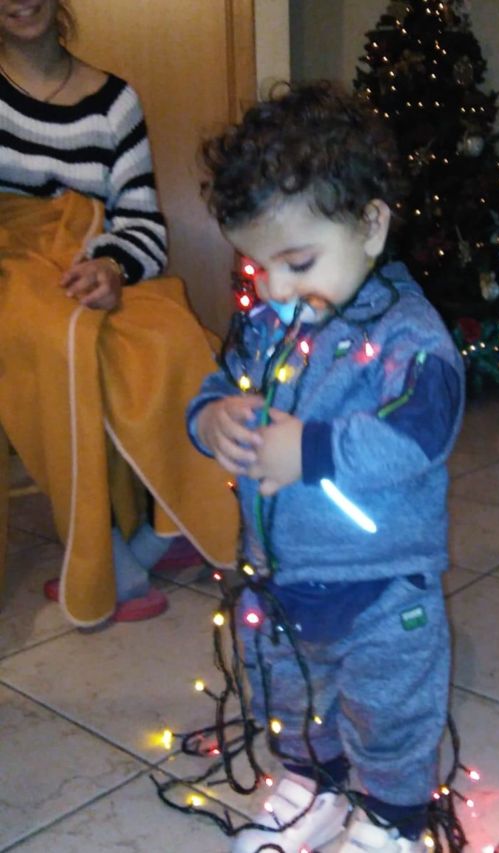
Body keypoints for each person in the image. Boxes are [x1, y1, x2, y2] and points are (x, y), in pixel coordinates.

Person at [187, 82, 465, 853]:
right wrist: (211, 417)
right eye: (257, 265)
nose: (274, 288)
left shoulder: (410, 334)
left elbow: (420, 430)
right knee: (289, 691)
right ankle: (315, 781)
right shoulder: (269, 321)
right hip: (279, 575)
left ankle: (391, 819)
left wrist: (307, 450)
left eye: (297, 261)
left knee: (388, 706)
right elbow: (219, 381)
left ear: (371, 225)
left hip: (382, 584)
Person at [0, 0, 238, 625]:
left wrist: (112, 268)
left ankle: (166, 529)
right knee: (56, 336)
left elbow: (141, 221)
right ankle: (101, 549)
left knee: (174, 334)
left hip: (91, 257)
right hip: (11, 269)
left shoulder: (115, 101)